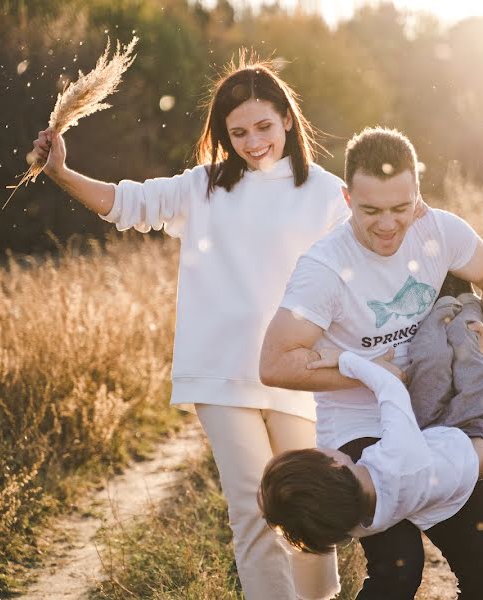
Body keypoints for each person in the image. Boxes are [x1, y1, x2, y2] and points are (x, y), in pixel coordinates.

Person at [30, 54, 350, 600]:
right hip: (221, 372)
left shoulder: (327, 193)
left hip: (297, 372)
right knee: (253, 511)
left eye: (264, 127)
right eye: (239, 132)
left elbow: (361, 269)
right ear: (224, 136)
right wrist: (60, 172)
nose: (253, 143)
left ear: (288, 121)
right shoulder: (204, 187)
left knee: (312, 517)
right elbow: (127, 202)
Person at [260, 127, 483, 599]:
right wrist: (369, 369)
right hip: (358, 431)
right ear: (346, 197)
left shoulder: (441, 230)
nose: (387, 225)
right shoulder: (323, 269)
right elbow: (274, 364)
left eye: (402, 209)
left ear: (418, 192)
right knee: (400, 571)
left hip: (433, 420)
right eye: (370, 210)